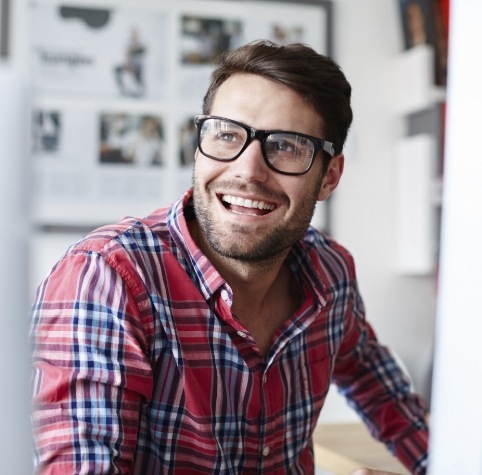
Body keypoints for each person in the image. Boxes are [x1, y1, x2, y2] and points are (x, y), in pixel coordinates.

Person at [30, 40, 429, 474]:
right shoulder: (106, 279)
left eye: (287, 146)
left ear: (329, 175)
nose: (247, 171)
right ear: (199, 145)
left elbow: (377, 383)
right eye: (226, 134)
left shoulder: (330, 272)